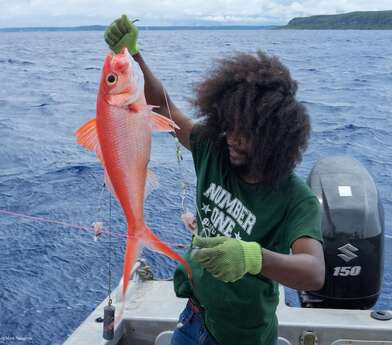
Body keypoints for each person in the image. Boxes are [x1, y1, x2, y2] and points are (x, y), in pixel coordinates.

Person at [104, 15, 325, 345]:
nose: (233, 139)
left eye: (247, 134)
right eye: (229, 127)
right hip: (194, 316)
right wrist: (134, 56)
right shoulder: (214, 148)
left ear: (274, 140)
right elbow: (168, 110)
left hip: (243, 334)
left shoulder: (295, 198)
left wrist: (253, 257)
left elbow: (313, 272)